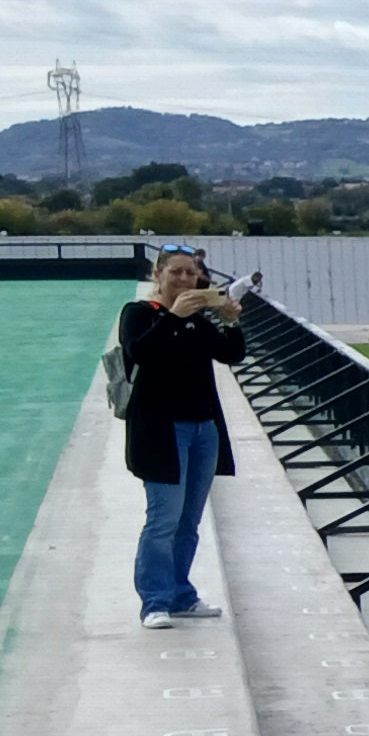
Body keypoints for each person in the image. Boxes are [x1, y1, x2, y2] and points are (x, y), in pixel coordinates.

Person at [120, 250, 245, 627]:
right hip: (162, 431)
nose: (184, 279)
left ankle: (180, 594)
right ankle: (154, 601)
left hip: (203, 428)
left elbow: (231, 354)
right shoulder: (139, 313)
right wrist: (173, 317)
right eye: (176, 272)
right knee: (164, 519)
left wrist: (231, 323)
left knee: (189, 520)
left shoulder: (197, 322)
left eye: (191, 273)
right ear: (158, 274)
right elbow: (139, 351)